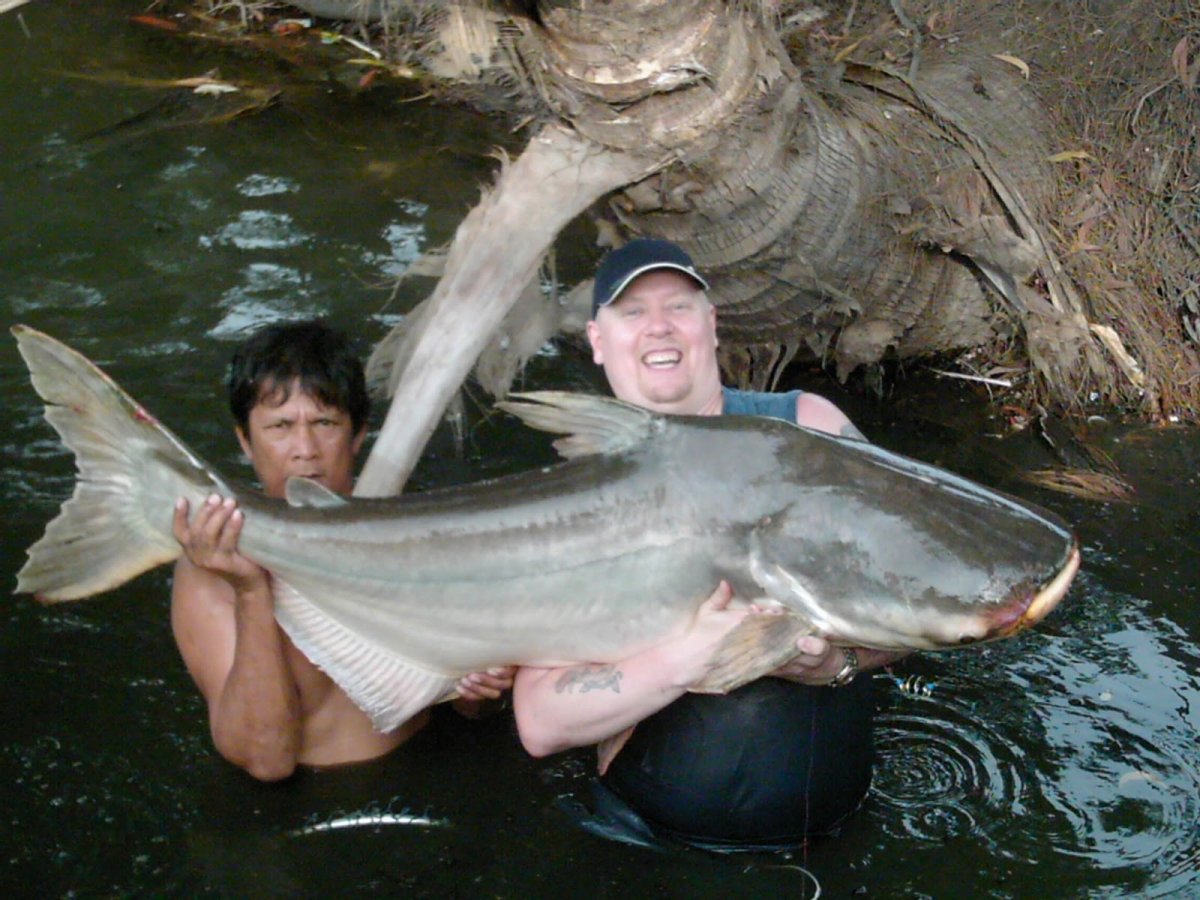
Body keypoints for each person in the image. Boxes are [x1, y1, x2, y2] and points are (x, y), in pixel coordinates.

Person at [513, 238, 909, 850]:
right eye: (633, 311)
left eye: (678, 306)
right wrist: (692, 657)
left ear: (711, 323)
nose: (659, 327)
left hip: (842, 836)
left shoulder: (809, 428)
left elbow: (920, 588)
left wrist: (838, 664)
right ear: (597, 339)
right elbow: (541, 721)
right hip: (649, 844)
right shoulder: (577, 492)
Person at [170, 320, 513, 782]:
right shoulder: (210, 567)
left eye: (324, 423)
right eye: (280, 426)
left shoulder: (413, 535)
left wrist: (480, 695)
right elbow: (266, 761)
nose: (305, 450)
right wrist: (252, 592)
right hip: (307, 802)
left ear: (357, 435)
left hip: (431, 772)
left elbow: (472, 708)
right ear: (245, 441)